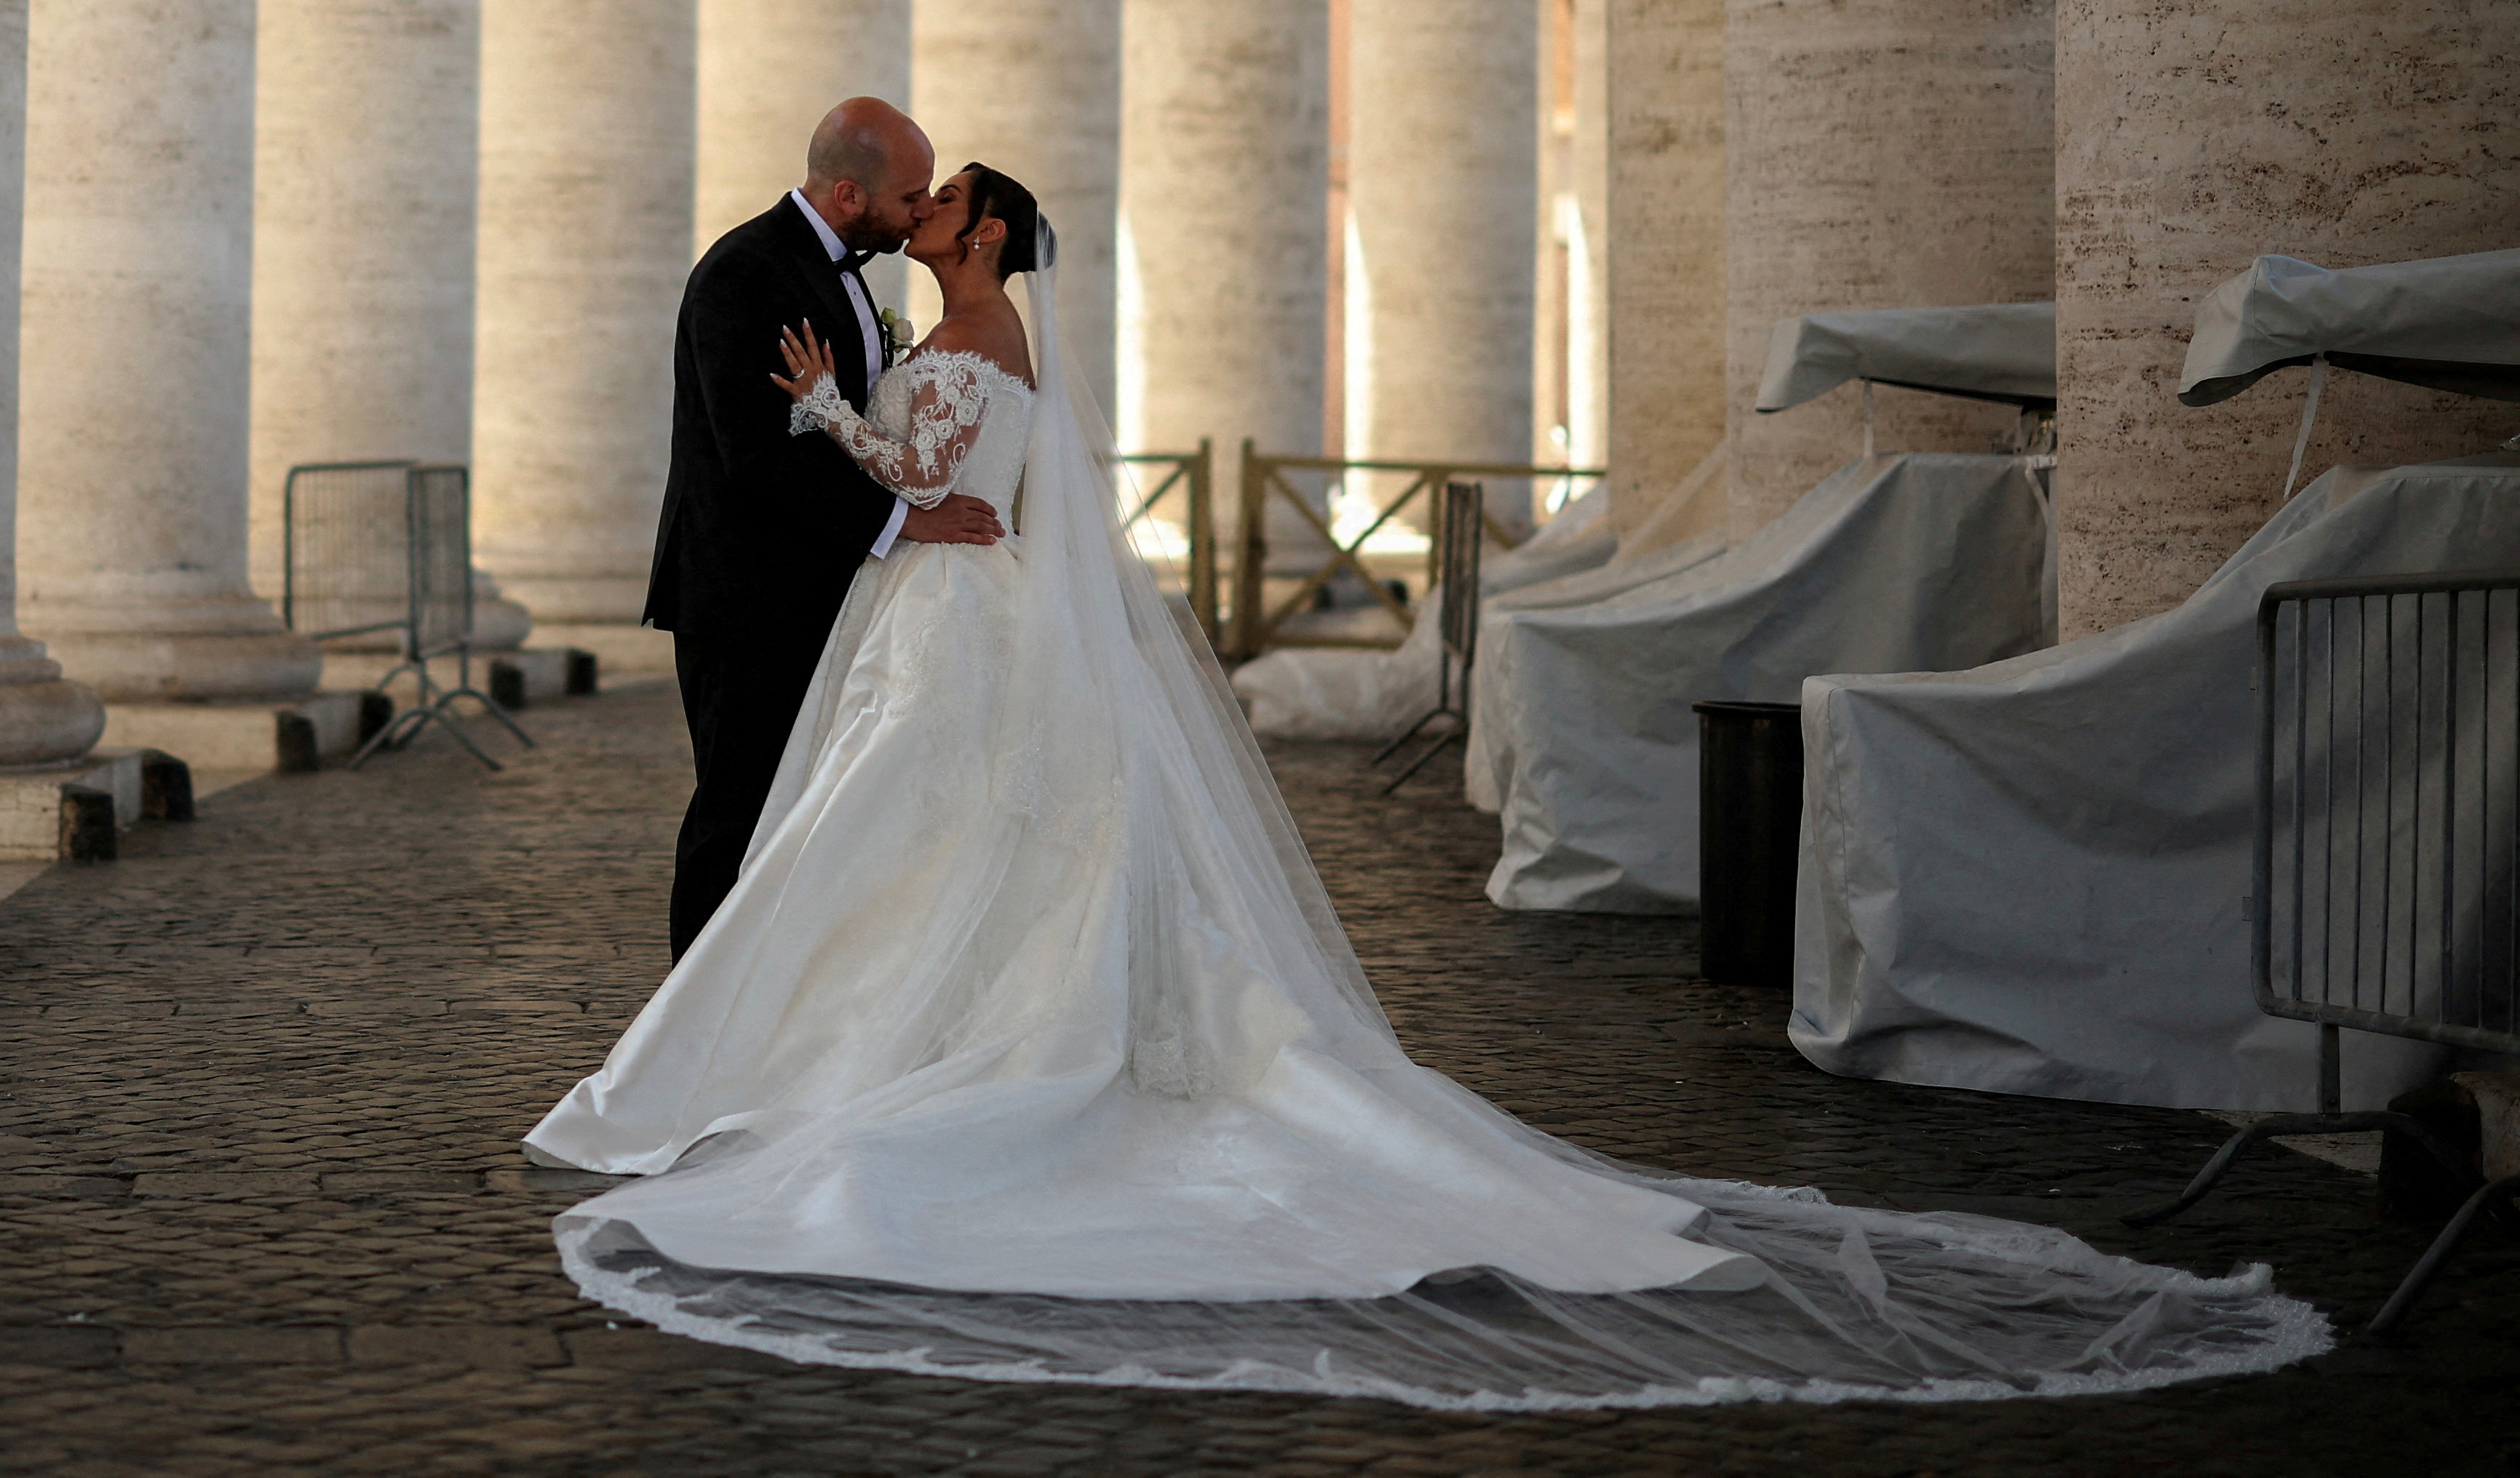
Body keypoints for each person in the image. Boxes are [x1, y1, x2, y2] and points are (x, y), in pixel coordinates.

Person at [534, 162, 2326, 1410]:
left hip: (949, 616)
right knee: (954, 854)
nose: (919, 216)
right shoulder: (995, 341)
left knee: (918, 844)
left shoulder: (967, 339)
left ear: (979, 226)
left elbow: (954, 502)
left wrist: (825, 413)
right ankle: (868, 1034)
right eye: (909, 198)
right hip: (970, 632)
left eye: (939, 201)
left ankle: (858, 1054)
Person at [647, 99, 1008, 958]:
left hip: (822, 586)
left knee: (804, 812)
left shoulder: (842, 268)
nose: (921, 209)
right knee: (736, 811)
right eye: (912, 194)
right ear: (851, 193)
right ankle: (689, 1024)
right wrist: (906, 519)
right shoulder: (746, 273)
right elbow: (754, 458)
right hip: (747, 597)